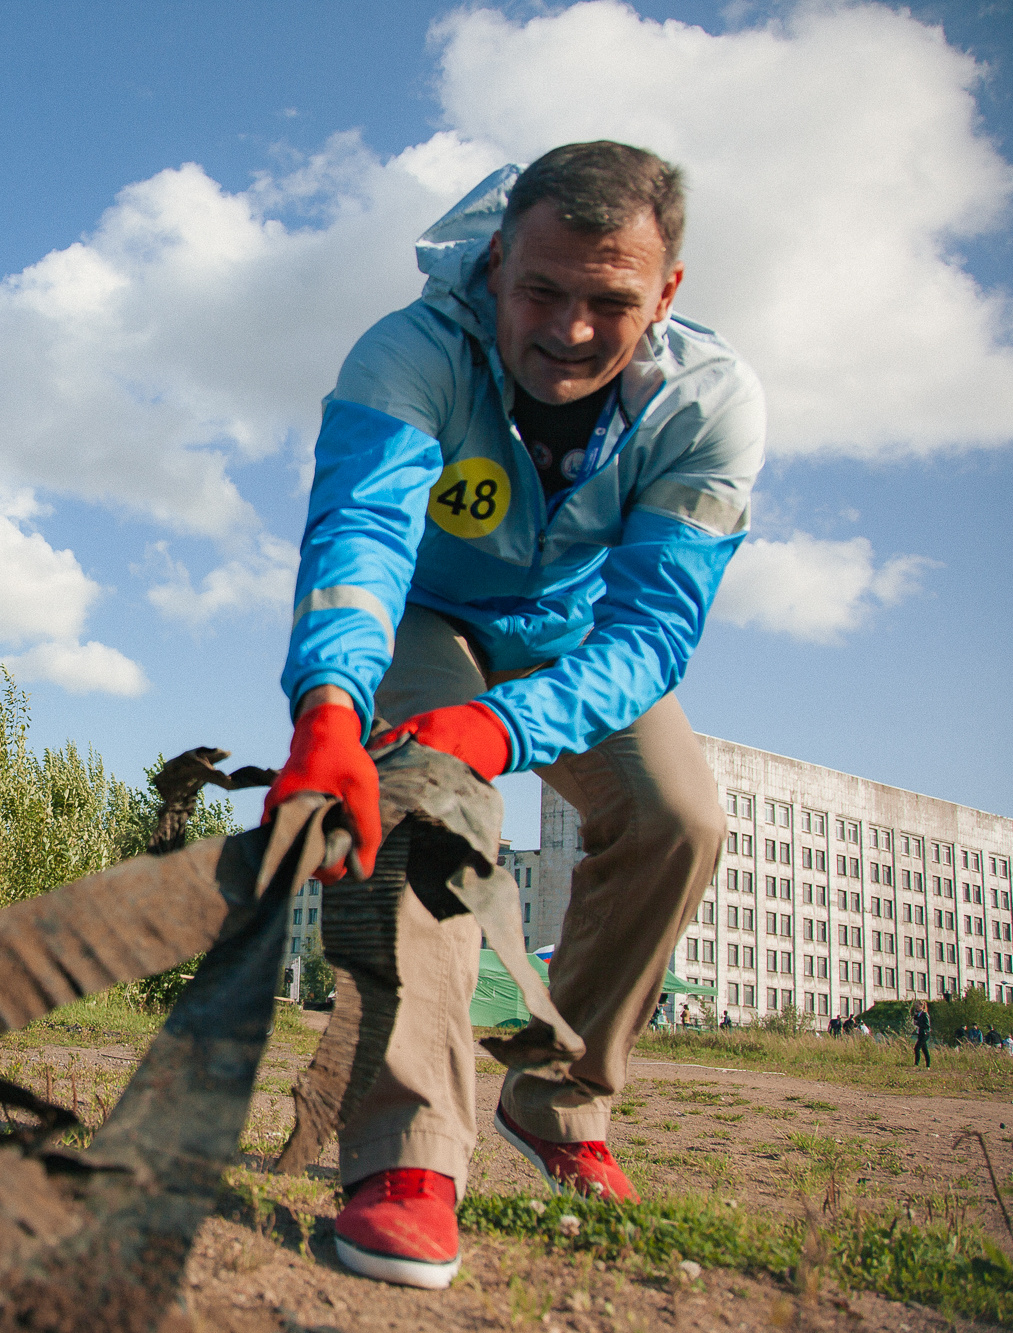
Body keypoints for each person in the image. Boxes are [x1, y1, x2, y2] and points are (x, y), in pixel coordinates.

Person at [265, 141, 764, 1290]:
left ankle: (557, 1104)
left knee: (678, 819)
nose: (571, 330)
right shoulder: (405, 354)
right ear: (495, 262)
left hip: (575, 642)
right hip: (429, 617)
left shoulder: (708, 405)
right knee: (427, 808)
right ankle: (407, 1153)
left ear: (667, 293)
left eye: (611, 300)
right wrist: (332, 704)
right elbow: (361, 543)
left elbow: (649, 634)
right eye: (541, 289)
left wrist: (502, 729)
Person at [912, 1002, 932, 1068]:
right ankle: (928, 1065)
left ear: (922, 1006)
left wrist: (919, 1024)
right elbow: (915, 1022)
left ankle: (916, 1064)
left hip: (925, 1033)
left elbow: (927, 1025)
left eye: (918, 1006)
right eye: (916, 1006)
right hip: (920, 1033)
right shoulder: (918, 1015)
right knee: (924, 1049)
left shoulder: (924, 1014)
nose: (916, 1008)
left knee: (917, 1048)